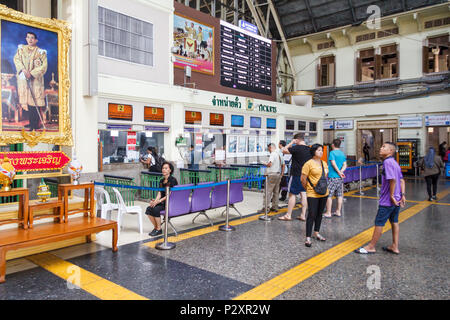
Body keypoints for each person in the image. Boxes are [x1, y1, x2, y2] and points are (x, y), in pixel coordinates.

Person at [355, 142, 406, 255]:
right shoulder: (395, 163)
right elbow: (402, 180)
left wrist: (391, 195)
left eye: (384, 147)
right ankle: (395, 246)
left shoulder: (387, 162)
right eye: (381, 146)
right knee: (394, 221)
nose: (380, 148)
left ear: (390, 151)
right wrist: (402, 195)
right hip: (396, 200)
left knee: (379, 222)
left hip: (388, 200)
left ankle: (371, 246)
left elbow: (392, 179)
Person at [13, 31, 48, 131]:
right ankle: (30, 122)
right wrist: (23, 70)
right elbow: (16, 59)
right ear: (26, 39)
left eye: (32, 38)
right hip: (24, 79)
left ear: (36, 40)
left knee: (34, 102)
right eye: (28, 37)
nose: (30, 39)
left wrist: (32, 73)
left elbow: (43, 66)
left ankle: (35, 125)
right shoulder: (21, 49)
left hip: (35, 81)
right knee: (27, 102)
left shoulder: (41, 52)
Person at [301, 144, 329, 247]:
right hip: (312, 193)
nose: (321, 152)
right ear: (313, 152)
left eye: (322, 150)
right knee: (312, 214)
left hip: (324, 192)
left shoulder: (324, 163)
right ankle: (308, 237)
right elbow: (303, 179)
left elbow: (325, 177)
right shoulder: (308, 164)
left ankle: (316, 232)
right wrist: (308, 189)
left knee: (319, 214)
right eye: (318, 150)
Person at [278, 133, 311, 221]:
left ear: (297, 140)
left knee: (292, 194)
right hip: (305, 175)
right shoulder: (309, 149)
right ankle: (303, 215)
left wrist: (291, 142)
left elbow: (284, 150)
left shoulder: (296, 147)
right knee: (303, 194)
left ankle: (288, 215)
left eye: (295, 141)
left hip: (296, 174)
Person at [145, 162, 178, 237]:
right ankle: (156, 227)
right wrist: (155, 201)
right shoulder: (161, 181)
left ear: (170, 170)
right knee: (149, 208)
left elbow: (170, 194)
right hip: (162, 202)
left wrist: (158, 201)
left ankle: (159, 229)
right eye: (163, 168)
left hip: (170, 202)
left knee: (156, 209)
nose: (164, 170)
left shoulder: (173, 180)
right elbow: (159, 192)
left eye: (166, 168)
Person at [324, 139, 347, 218]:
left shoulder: (332, 153)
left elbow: (333, 163)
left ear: (333, 145)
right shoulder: (342, 153)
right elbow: (345, 165)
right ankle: (338, 211)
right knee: (339, 195)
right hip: (340, 178)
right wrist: (341, 172)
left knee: (329, 195)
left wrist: (338, 171)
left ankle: (328, 212)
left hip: (333, 176)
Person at [258, 143, 283, 213]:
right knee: (276, 192)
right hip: (278, 174)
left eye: (268, 149)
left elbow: (270, 164)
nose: (268, 150)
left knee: (268, 192)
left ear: (270, 148)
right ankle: (275, 207)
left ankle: (266, 208)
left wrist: (264, 163)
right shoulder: (279, 154)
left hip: (271, 175)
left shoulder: (272, 154)